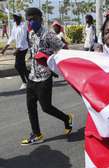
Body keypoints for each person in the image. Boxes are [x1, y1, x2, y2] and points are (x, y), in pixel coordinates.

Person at [21, 7, 73, 145]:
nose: (30, 22)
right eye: (28, 20)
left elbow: (64, 50)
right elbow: (33, 52)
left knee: (46, 107)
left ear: (40, 19)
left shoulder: (49, 35)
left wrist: (52, 61)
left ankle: (66, 118)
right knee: (30, 107)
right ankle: (36, 134)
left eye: (33, 19)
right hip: (32, 77)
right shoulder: (31, 34)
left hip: (45, 77)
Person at [1, 13, 29, 89]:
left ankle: (25, 82)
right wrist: (5, 48)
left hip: (23, 48)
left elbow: (22, 38)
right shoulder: (14, 25)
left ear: (19, 18)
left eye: (15, 17)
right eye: (14, 17)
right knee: (22, 66)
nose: (14, 18)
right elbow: (12, 37)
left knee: (17, 65)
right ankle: (29, 80)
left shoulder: (23, 26)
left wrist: (17, 49)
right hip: (19, 48)